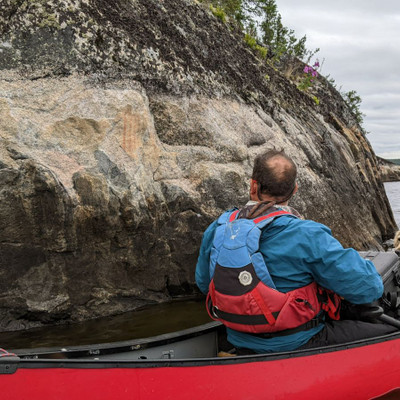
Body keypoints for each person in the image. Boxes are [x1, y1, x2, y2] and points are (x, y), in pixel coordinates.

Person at [195, 149, 397, 354]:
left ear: (253, 186)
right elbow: (369, 288)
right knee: (390, 330)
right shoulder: (307, 234)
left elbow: (205, 284)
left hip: (238, 337)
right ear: (295, 189)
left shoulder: (218, 228)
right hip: (299, 343)